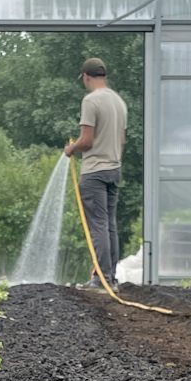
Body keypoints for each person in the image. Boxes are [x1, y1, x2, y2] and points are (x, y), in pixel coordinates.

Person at [62, 56, 126, 284]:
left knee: (97, 224)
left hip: (94, 172)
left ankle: (101, 278)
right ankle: (111, 277)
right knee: (110, 224)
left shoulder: (91, 101)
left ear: (86, 77)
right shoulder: (119, 102)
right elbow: (122, 140)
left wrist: (71, 149)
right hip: (114, 169)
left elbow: (86, 141)